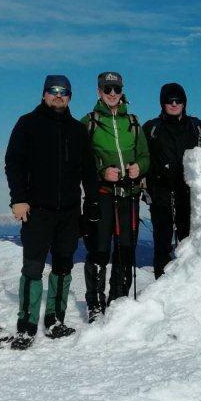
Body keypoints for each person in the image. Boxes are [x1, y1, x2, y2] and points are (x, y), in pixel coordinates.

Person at [4, 75, 99, 349]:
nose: (59, 96)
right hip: (37, 210)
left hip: (69, 211)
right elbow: (14, 163)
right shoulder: (28, 124)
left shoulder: (77, 130)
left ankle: (55, 320)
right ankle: (27, 325)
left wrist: (91, 201)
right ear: (44, 94)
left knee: (63, 265)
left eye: (64, 92)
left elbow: (89, 170)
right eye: (53, 91)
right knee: (33, 268)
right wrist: (18, 199)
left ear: (70, 96)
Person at [80, 71, 150, 321]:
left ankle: (118, 299)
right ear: (99, 91)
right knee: (99, 248)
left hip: (129, 194)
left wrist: (139, 168)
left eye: (116, 89)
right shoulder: (88, 122)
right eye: (107, 89)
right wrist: (101, 170)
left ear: (122, 91)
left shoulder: (132, 121)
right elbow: (82, 158)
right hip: (102, 194)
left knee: (126, 247)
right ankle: (95, 304)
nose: (112, 94)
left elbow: (144, 155)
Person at [143, 82, 201, 278]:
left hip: (190, 196)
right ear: (162, 103)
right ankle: (161, 286)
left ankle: (188, 286)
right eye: (169, 100)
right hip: (161, 195)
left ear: (184, 103)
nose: (174, 104)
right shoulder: (152, 128)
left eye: (178, 100)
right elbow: (141, 157)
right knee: (162, 245)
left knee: (189, 243)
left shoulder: (197, 127)